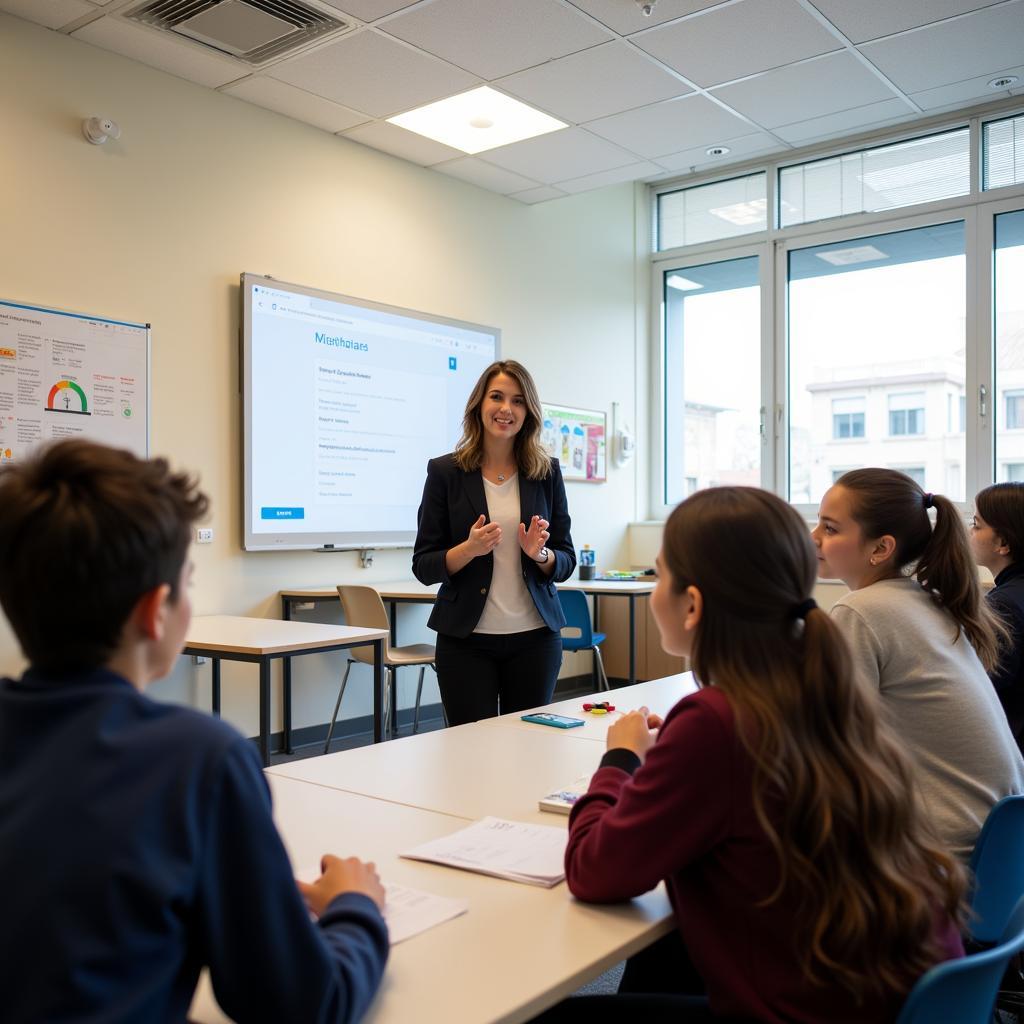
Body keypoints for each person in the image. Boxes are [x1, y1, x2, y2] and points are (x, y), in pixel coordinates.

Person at [538, 487, 964, 1024]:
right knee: (664, 955)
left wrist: (620, 760)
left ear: (692, 604)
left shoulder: (717, 721)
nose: (652, 591)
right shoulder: (820, 687)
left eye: (659, 574)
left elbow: (593, 871)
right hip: (888, 991)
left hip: (815, 1007)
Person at [0, 439, 389, 1023]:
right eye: (188, 578)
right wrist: (357, 907)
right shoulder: (198, 760)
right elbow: (305, 1004)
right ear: (157, 610)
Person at [813, 468, 1024, 859]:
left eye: (829, 528)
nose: (813, 538)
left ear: (881, 549)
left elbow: (824, 744)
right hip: (999, 859)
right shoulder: (927, 599)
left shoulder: (861, 611)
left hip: (943, 862)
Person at [412, 360, 575, 725]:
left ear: (528, 412)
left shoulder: (546, 471)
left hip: (536, 639)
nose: (506, 409)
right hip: (465, 641)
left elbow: (566, 558)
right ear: (479, 405)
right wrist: (468, 550)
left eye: (518, 401)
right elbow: (423, 565)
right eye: (497, 397)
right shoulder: (445, 473)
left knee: (530, 751)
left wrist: (541, 554)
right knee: (471, 754)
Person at [970, 481, 1024, 752]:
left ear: (1003, 543)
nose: (971, 531)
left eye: (977, 525)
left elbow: (984, 687)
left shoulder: (1003, 605)